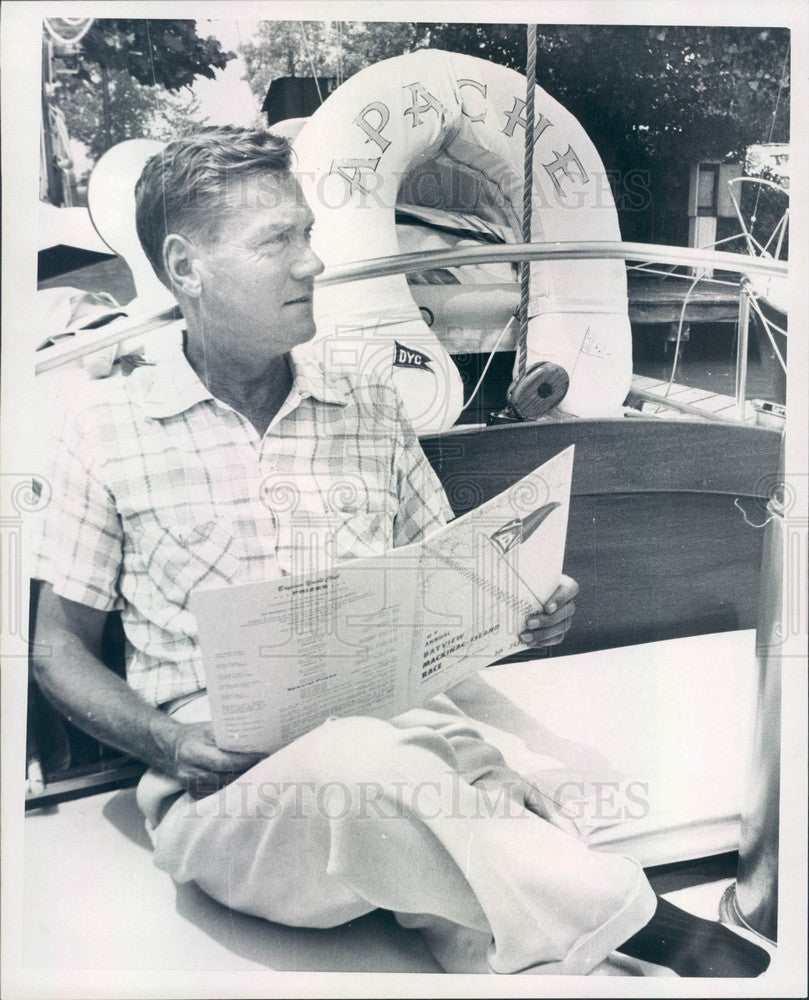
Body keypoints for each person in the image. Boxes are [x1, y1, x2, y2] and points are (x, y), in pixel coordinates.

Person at [32, 127, 770, 977]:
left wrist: (519, 610)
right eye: (277, 240)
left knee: (512, 908)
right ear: (186, 267)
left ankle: (560, 910)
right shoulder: (103, 429)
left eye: (307, 232)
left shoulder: (366, 403)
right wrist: (167, 744)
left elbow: (447, 579)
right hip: (230, 799)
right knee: (367, 766)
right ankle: (645, 921)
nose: (311, 262)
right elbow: (54, 651)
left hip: (417, 754)